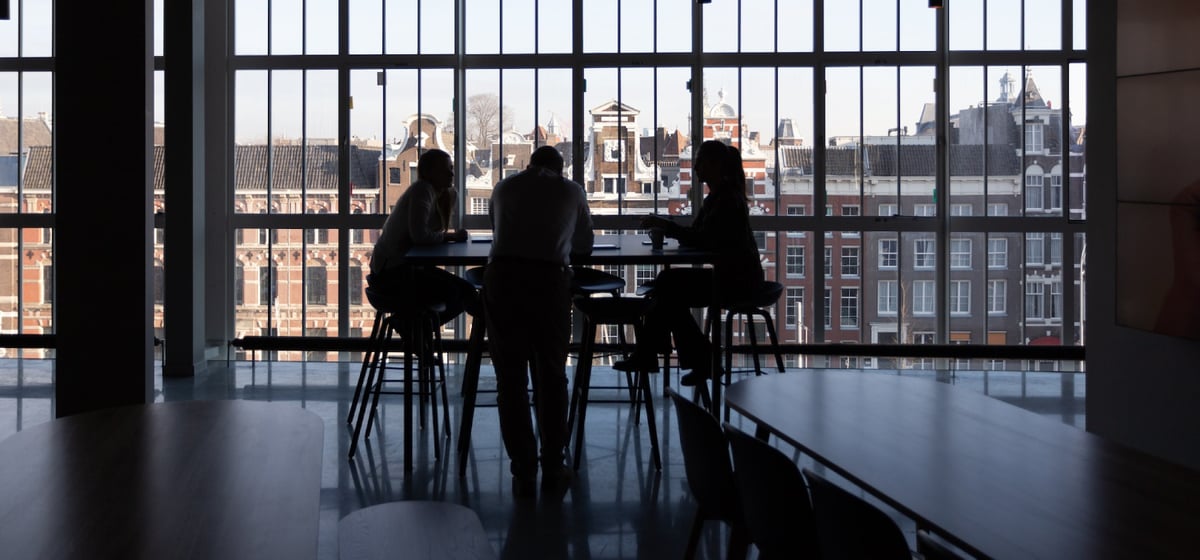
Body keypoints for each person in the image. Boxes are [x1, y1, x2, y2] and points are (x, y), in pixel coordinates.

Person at [484, 145, 595, 499]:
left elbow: (496, 228)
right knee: (551, 375)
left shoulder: (503, 187)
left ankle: (523, 467)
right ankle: (552, 462)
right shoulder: (571, 190)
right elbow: (585, 246)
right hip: (548, 282)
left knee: (510, 379)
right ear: (560, 169)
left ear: (530, 164)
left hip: (502, 279)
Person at [615, 140, 764, 386]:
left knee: (668, 286)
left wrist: (666, 226)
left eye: (700, 162)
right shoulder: (720, 197)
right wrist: (674, 230)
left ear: (714, 165)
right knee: (668, 289)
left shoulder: (724, 200)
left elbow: (703, 239)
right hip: (737, 276)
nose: (695, 168)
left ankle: (660, 354)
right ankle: (677, 356)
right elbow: (702, 236)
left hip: (735, 281)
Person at [369, 148, 476, 322]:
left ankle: (417, 330)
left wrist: (450, 200)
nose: (452, 173)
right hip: (392, 273)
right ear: (428, 173)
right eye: (445, 169)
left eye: (452, 168)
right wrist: (451, 237)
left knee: (464, 292)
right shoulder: (422, 190)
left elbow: (427, 234)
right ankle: (412, 327)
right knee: (464, 293)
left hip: (398, 269)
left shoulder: (438, 193)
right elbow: (420, 236)